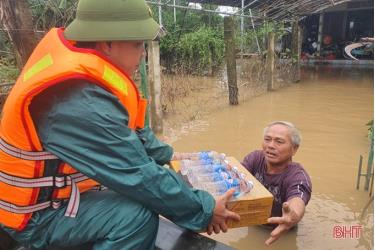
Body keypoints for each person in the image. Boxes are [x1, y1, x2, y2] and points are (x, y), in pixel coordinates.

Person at [0, 0, 240, 249]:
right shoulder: (77, 98)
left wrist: (169, 155)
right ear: (108, 43)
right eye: (138, 44)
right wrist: (204, 209)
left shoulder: (85, 72)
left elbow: (130, 133)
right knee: (136, 217)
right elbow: (138, 174)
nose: (144, 53)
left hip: (56, 198)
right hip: (37, 216)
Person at [242, 121, 312, 246]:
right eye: (267, 139)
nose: (270, 146)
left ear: (294, 149)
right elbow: (236, 176)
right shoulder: (255, 159)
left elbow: (297, 199)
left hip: (282, 230)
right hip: (254, 224)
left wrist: (293, 216)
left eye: (279, 142)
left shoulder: (298, 176)